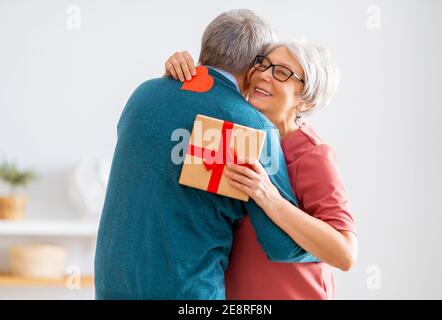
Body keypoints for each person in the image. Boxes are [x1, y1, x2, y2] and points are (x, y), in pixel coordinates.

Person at [94, 9, 316, 300]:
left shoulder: (143, 95)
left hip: (111, 286)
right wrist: (327, 244)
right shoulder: (249, 125)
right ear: (253, 67)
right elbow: (283, 245)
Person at [164, 40, 358, 299]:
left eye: (282, 73)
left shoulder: (313, 155)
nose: (264, 75)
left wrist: (271, 199)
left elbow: (345, 254)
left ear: (305, 101)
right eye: (263, 64)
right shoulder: (236, 136)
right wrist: (182, 73)